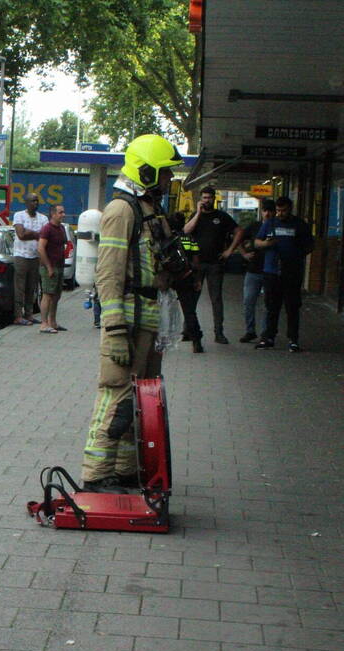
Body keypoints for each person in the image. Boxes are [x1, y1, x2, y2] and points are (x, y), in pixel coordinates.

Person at [81, 134, 181, 493]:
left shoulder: (149, 211)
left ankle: (124, 470)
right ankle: (94, 474)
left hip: (148, 318)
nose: (170, 180)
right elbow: (107, 273)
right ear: (147, 171)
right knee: (116, 394)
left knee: (141, 397)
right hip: (127, 319)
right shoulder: (122, 210)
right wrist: (115, 327)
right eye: (165, 173)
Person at [254, 196, 312, 352]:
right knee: (271, 306)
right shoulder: (270, 223)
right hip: (271, 271)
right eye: (278, 210)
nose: (280, 213)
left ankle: (293, 339)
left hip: (292, 272)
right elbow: (257, 242)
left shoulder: (299, 225)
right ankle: (269, 337)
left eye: (283, 210)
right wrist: (266, 244)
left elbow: (309, 246)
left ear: (290, 209)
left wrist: (295, 254)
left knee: (292, 307)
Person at [183, 186, 239, 344]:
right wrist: (199, 213)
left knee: (216, 299)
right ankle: (188, 329)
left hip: (215, 263)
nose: (207, 200)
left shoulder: (221, 217)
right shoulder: (196, 215)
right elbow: (186, 231)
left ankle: (219, 333)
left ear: (214, 199)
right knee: (192, 297)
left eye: (210, 198)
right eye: (204, 198)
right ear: (200, 199)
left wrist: (229, 250)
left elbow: (239, 231)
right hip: (197, 263)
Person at [238, 199, 274, 343]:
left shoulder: (277, 227)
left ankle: (266, 333)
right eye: (265, 211)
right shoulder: (255, 226)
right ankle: (250, 330)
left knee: (268, 303)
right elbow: (238, 238)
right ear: (261, 211)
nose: (267, 214)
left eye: (270, 211)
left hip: (270, 271)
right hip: (253, 270)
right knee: (248, 301)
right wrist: (244, 254)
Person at [11, 193, 48, 325]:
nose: (36, 203)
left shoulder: (43, 218)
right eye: (33, 201)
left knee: (31, 287)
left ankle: (29, 314)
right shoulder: (18, 215)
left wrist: (30, 233)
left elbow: (44, 236)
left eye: (37, 200)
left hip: (35, 256)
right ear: (26, 203)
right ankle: (18, 316)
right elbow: (21, 234)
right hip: (21, 256)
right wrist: (35, 234)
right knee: (19, 287)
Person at [169, 213, 204, 353]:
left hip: (169, 278)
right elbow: (196, 261)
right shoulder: (189, 238)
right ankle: (196, 341)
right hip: (186, 276)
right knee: (189, 311)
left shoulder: (167, 239)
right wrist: (197, 279)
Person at [37, 205, 67, 333]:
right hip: (49, 267)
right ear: (53, 214)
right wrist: (48, 266)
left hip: (59, 266)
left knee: (56, 295)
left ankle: (52, 322)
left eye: (63, 212)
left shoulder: (61, 228)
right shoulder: (46, 229)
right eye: (60, 212)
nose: (63, 214)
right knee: (47, 294)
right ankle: (44, 324)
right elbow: (40, 248)